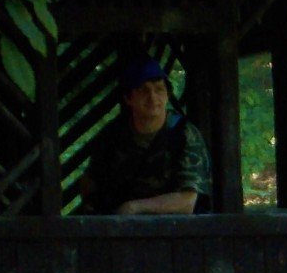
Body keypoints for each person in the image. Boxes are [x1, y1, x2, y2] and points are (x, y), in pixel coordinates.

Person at [76, 57, 212, 214]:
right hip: (121, 231)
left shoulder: (184, 134)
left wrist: (133, 208)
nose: (153, 97)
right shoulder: (113, 135)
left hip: (176, 232)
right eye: (143, 90)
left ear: (167, 95)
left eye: (159, 89)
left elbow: (187, 201)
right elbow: (90, 183)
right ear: (128, 98)